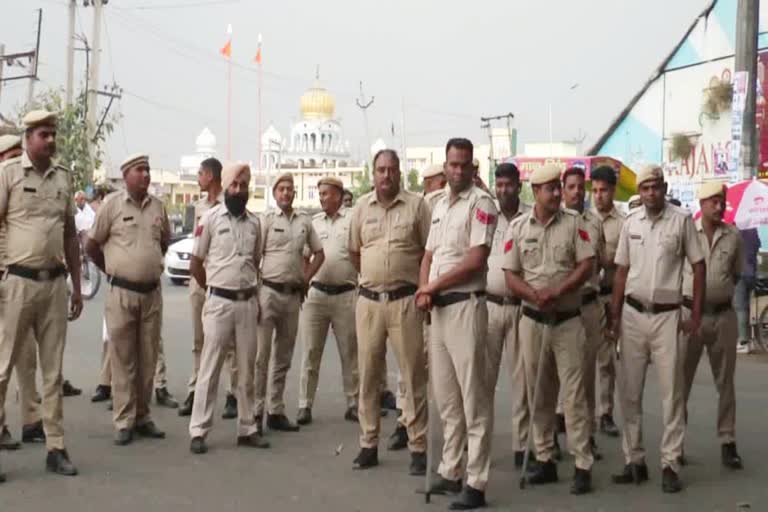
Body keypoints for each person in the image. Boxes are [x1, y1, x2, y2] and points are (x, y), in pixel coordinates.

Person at [608, 164, 705, 493]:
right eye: (646, 188)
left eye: (656, 187)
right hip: (633, 315)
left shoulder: (681, 221)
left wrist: (695, 313)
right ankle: (634, 459)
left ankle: (670, 464)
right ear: (641, 190)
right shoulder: (630, 223)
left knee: (671, 395)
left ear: (664, 188)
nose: (651, 193)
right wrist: (615, 316)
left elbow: (698, 266)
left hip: (667, 317)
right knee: (630, 393)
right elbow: (621, 271)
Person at [0, 110, 84, 480]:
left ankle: (56, 447)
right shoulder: (8, 174)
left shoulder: (63, 177)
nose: (50, 141)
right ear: (28, 137)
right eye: (43, 135)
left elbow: (69, 235)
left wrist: (78, 286)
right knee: (3, 368)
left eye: (53, 134)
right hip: (17, 283)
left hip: (54, 285)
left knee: (53, 372)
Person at [503, 163, 595, 495]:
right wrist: (534, 294)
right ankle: (545, 459)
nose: (557, 193)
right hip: (532, 320)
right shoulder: (517, 227)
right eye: (550, 189)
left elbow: (587, 265)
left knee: (573, 395)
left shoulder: (574, 224)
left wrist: (557, 291)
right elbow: (510, 275)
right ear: (536, 192)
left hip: (567, 321)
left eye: (558, 187)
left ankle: (582, 463)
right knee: (538, 393)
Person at [417, 138, 497, 510]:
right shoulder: (439, 206)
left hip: (466, 306)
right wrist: (423, 289)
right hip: (439, 310)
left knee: (473, 399)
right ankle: (451, 469)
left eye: (465, 165)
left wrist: (431, 286)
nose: (458, 171)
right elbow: (429, 254)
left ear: (473, 167)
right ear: (445, 165)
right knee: (446, 397)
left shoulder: (481, 204)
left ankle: (476, 481)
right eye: (453, 164)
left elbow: (476, 260)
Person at [349, 149, 429, 475]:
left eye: (392, 170)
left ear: (400, 173)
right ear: (373, 173)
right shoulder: (361, 207)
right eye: (381, 170)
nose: (386, 176)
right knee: (368, 375)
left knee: (412, 376)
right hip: (369, 303)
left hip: (405, 301)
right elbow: (355, 252)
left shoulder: (417, 206)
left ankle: (418, 446)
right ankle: (368, 443)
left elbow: (428, 252)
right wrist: (373, 278)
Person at [86, 154, 169, 446]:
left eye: (147, 169)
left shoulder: (158, 206)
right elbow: (91, 245)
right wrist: (112, 269)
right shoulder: (111, 206)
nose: (146, 174)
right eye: (140, 170)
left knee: (148, 358)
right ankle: (123, 420)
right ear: (126, 175)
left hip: (152, 293)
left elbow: (164, 242)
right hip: (121, 292)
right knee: (123, 359)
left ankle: (143, 416)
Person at [188, 162, 269, 453]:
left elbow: (255, 261)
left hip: (247, 303)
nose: (239, 190)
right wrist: (213, 288)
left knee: (247, 369)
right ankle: (198, 430)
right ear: (225, 187)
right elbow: (196, 263)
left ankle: (247, 428)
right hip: (219, 303)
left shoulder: (256, 224)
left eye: (244, 186)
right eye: (234, 185)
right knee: (209, 369)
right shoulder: (209, 219)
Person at [681, 181, 743, 469]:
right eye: (714, 202)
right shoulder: (686, 232)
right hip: (689, 317)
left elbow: (737, 273)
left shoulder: (734, 236)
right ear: (702, 203)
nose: (719, 206)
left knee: (725, 381)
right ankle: (675, 441)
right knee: (680, 381)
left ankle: (728, 441)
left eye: (722, 201)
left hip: (722, 316)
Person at [256, 173, 324, 433]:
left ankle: (276, 410)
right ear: (274, 194)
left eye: (290, 189)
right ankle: (256, 411)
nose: (286, 193)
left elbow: (320, 254)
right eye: (281, 189)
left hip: (292, 296)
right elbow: (254, 258)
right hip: (268, 293)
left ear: (295, 194)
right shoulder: (266, 221)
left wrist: (306, 279)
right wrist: (256, 292)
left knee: (283, 357)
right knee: (262, 357)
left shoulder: (304, 222)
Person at [387, 162, 448, 451]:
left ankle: (410, 423)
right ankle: (408, 422)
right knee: (412, 366)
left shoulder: (426, 204)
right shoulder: (428, 205)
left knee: (413, 368)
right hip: (424, 295)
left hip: (432, 293)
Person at [178, 157, 238, 419]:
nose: (198, 178)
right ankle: (196, 391)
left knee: (230, 344)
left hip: (221, 283)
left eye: (201, 173)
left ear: (211, 176)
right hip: (199, 282)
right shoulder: (198, 207)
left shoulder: (229, 206)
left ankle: (232, 394)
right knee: (199, 340)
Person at [296, 177, 359, 425]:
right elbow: (305, 256)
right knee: (310, 352)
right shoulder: (314, 223)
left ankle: (353, 403)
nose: (321, 198)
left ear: (338, 195)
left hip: (346, 295)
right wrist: (305, 280)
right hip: (316, 297)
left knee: (350, 353)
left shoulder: (352, 220)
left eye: (326, 193)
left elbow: (360, 252)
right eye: (319, 193)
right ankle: (304, 404)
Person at [0, 134, 45, 452]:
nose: (17, 162)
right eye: (10, 156)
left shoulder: (22, 193)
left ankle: (32, 420)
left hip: (20, 285)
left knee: (26, 356)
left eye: (19, 155)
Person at [485, 162, 530, 468]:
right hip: (487, 307)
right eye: (499, 185)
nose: (503, 190)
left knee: (522, 381)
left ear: (519, 184)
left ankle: (522, 445)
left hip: (521, 309)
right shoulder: (486, 216)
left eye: (509, 184)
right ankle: (479, 444)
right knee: (483, 381)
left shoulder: (531, 217)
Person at [561, 166, 605, 459]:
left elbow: (599, 262)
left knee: (586, 377)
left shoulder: (594, 222)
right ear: (563, 190)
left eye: (581, 187)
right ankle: (550, 438)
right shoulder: (556, 219)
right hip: (560, 307)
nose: (577, 192)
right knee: (554, 377)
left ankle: (587, 436)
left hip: (587, 305)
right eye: (571, 187)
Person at [590, 165, 624, 437]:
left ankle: (605, 413)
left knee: (606, 361)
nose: (599, 195)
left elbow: (625, 265)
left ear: (612, 191)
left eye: (604, 190)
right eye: (596, 190)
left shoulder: (622, 223)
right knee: (578, 359)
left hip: (609, 295)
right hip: (583, 298)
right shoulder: (581, 218)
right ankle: (572, 414)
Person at [735, 228, 759, 353]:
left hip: (741, 273)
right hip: (752, 273)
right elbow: (757, 245)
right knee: (748, 307)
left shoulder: (736, 230)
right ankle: (750, 340)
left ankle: (743, 341)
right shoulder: (753, 229)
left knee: (740, 307)